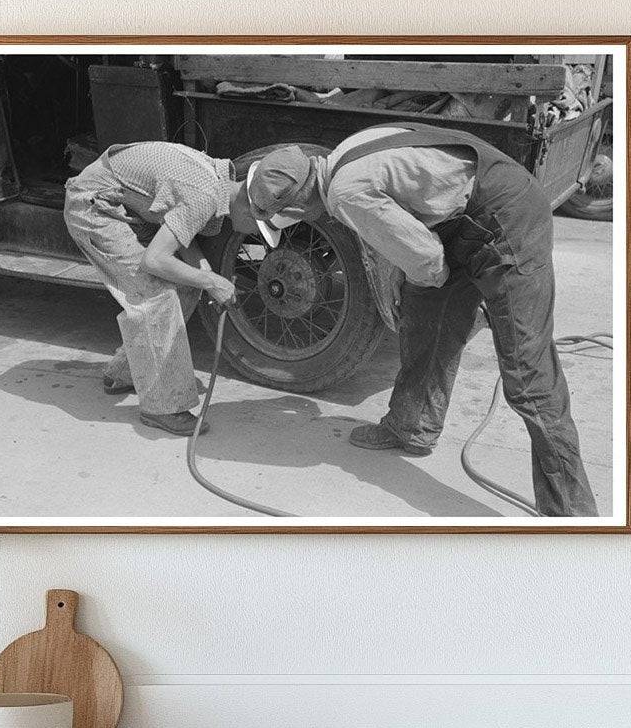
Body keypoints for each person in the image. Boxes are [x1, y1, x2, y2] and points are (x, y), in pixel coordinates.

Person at [245, 123, 597, 517]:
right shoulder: (344, 153)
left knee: (528, 377)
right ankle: (411, 426)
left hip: (508, 220)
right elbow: (411, 220)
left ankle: (573, 515)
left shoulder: (345, 194)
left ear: (296, 209)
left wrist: (439, 281)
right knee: (424, 309)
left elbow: (429, 262)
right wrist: (410, 274)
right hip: (466, 217)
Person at [63, 141, 259, 437]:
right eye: (261, 224)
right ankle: (163, 408)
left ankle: (124, 372)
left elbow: (180, 229)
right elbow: (154, 261)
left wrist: (205, 277)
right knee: (156, 293)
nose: (256, 232)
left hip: (119, 203)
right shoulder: (204, 195)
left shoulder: (215, 184)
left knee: (187, 284)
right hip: (93, 205)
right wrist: (212, 282)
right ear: (249, 207)